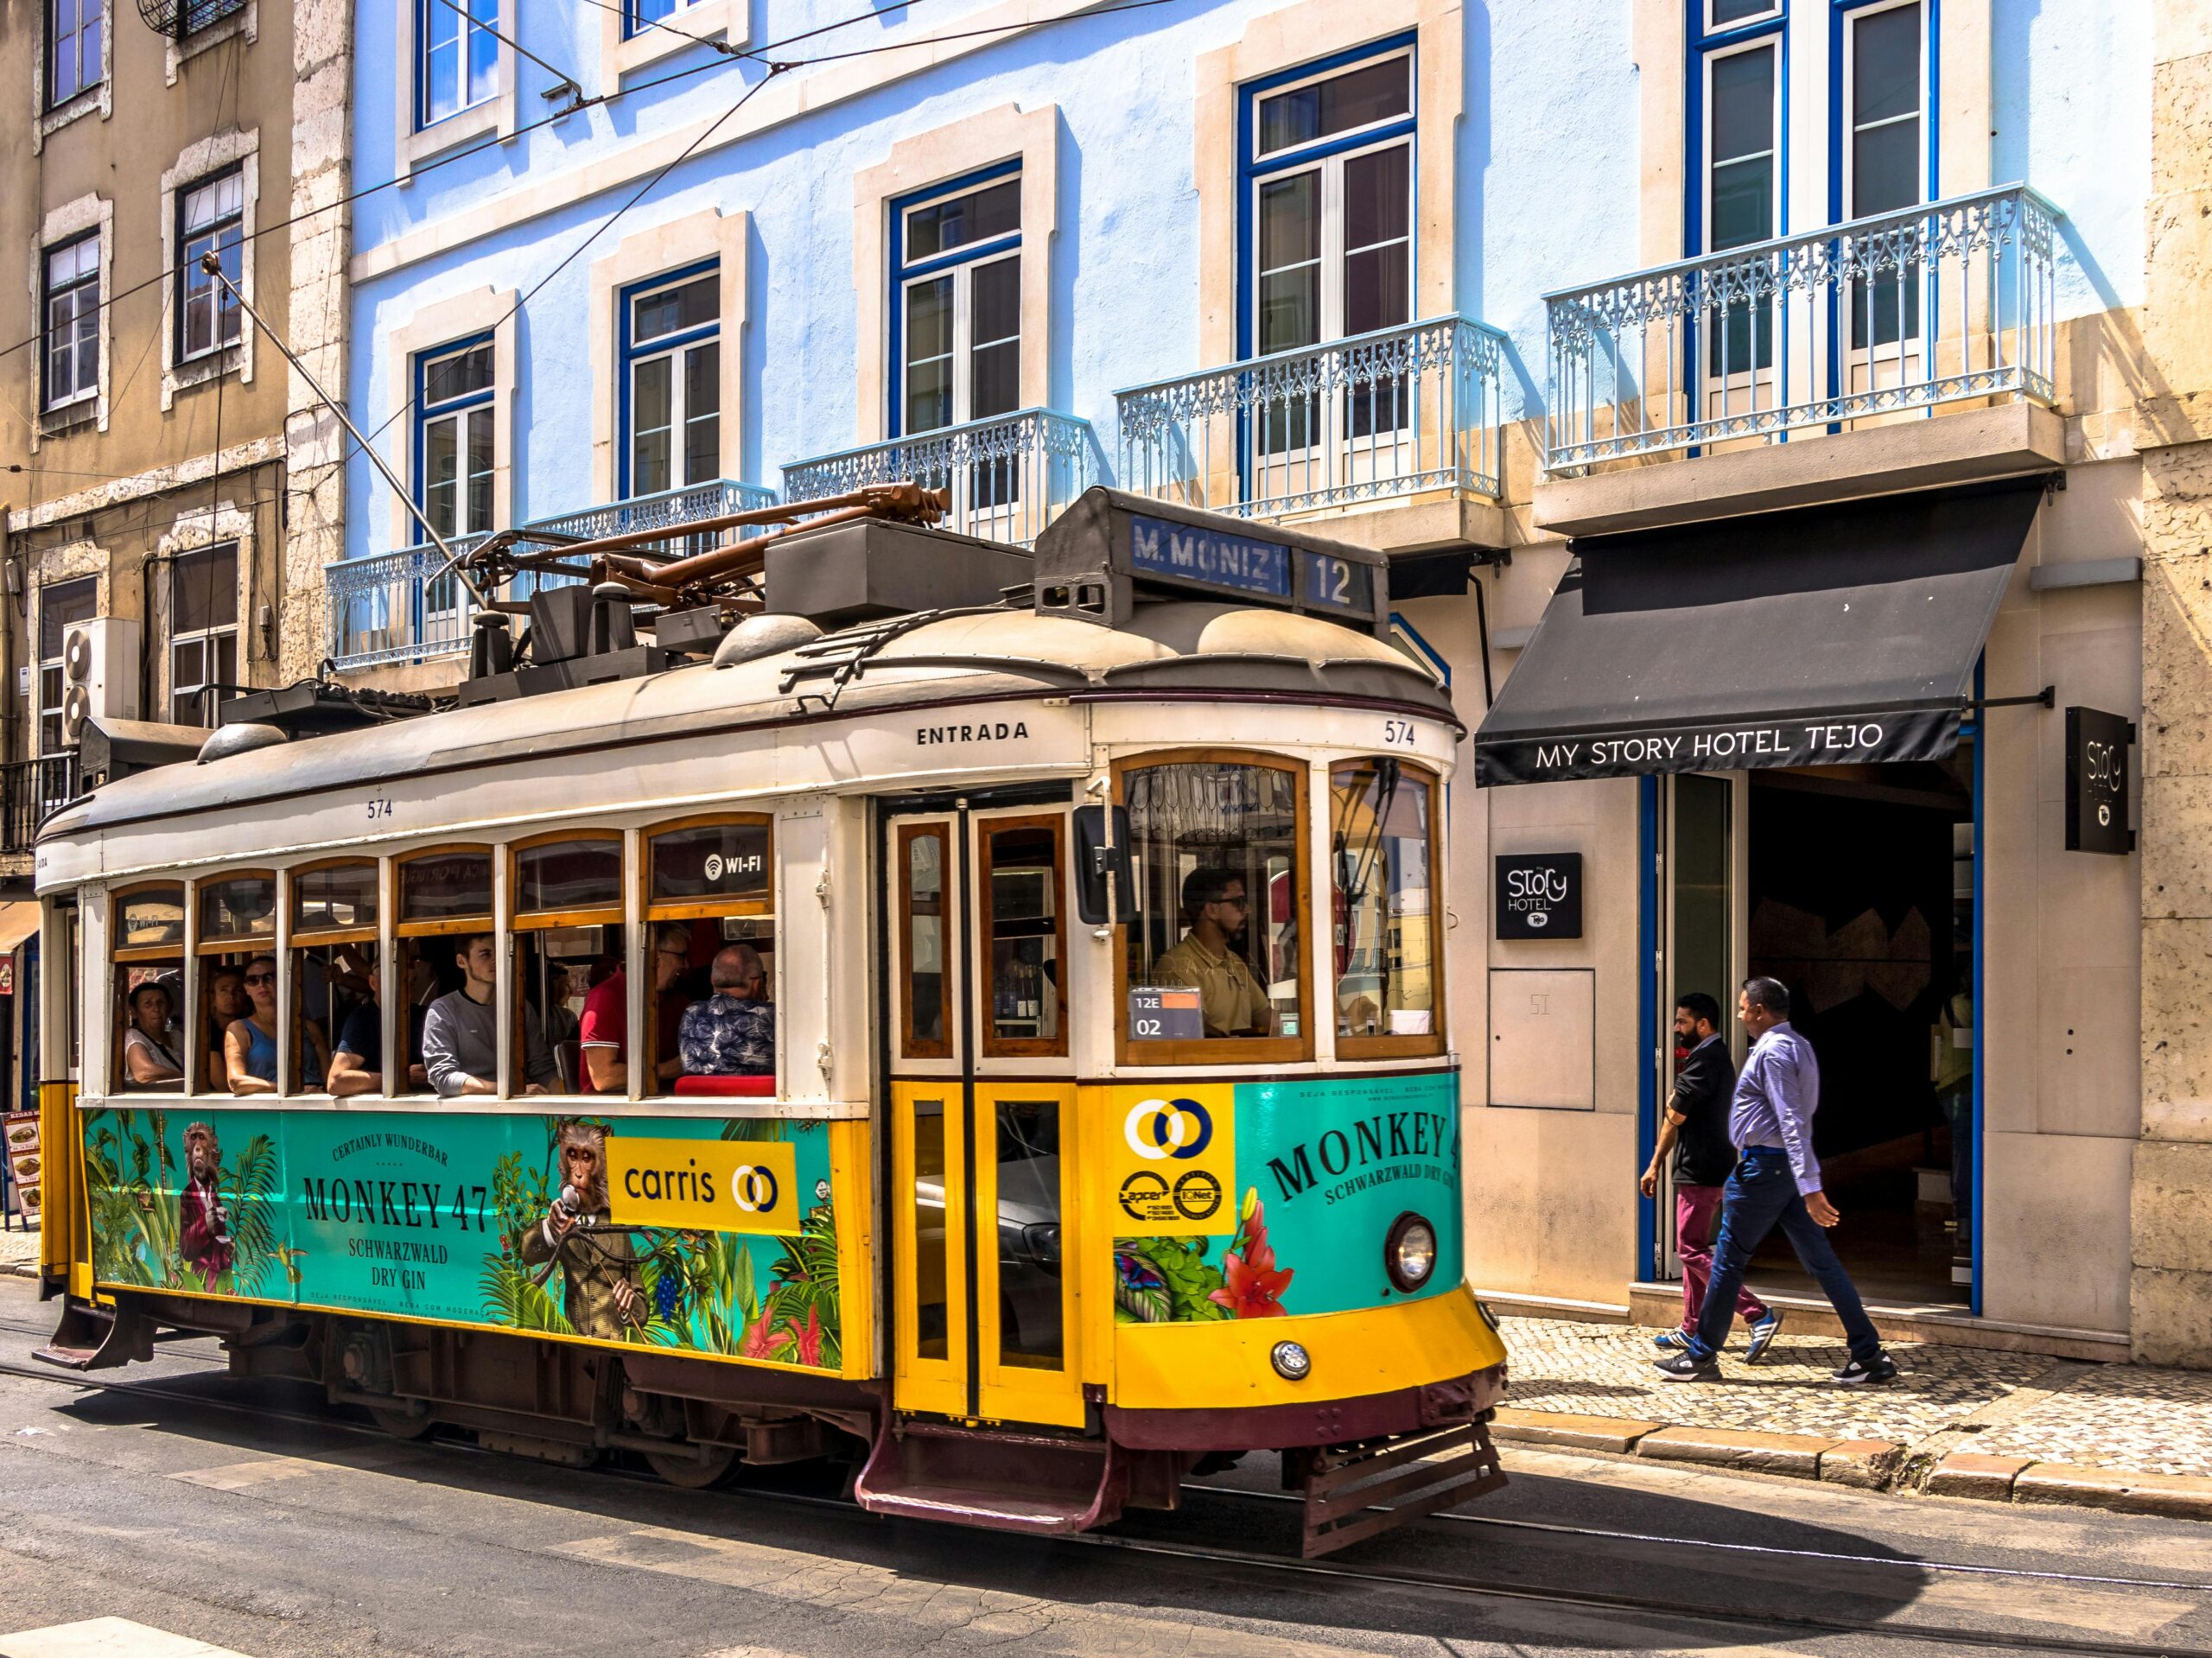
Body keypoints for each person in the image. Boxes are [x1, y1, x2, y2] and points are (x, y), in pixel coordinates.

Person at [1656, 978, 1898, 1386]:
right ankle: (1869, 1356)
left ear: (1758, 1010)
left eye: (1742, 1007)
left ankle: (1700, 1356)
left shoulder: (1773, 1052)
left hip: (1764, 1170)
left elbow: (1792, 1119)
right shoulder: (1799, 1046)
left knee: (1729, 1260)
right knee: (1822, 1263)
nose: (1738, 1014)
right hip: (1779, 1170)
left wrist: (1811, 1186)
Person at [1643, 993, 1780, 1360]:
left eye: (1682, 1022)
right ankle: (1691, 1327)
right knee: (1694, 1251)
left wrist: (1655, 1162)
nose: (1676, 1028)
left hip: (1700, 1170)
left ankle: (1757, 1313)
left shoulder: (1705, 1061)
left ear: (1703, 1025)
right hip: (1712, 1167)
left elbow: (1675, 1116)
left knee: (1689, 1249)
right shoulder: (1712, 1059)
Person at [518, 1121, 641, 1340]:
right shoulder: (560, 1219)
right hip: (572, 1337)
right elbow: (527, 1254)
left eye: (587, 1158)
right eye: (572, 1156)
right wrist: (550, 1227)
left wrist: (629, 1302)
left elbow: (642, 1306)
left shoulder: (617, 1227)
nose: (579, 1173)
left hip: (613, 1342)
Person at [422, 934, 556, 1097]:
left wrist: (565, 1098)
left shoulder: (521, 1008)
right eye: (486, 954)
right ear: (462, 961)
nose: (496, 960)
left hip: (520, 1106)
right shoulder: (443, 1010)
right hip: (471, 1113)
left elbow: (542, 1068)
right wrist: (508, 1090)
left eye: (500, 953)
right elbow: (443, 1078)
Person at [1153, 867, 1270, 1039]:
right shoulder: (1176, 966)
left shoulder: (1234, 961)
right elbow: (1193, 1032)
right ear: (1212, 910)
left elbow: (1266, 1017)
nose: (1247, 910)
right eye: (1239, 902)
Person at [579, 924, 690, 1093]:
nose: (686, 965)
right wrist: (668, 1069)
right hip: (612, 1114)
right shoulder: (605, 998)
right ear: (655, 956)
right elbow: (604, 1077)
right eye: (681, 956)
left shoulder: (677, 1000)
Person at [225, 955, 329, 1095]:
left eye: (269, 977)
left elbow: (330, 1079)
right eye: (253, 980)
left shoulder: (309, 1028)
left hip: (315, 1105)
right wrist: (290, 1090)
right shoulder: (238, 1029)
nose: (261, 984)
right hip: (269, 1109)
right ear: (247, 989)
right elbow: (236, 1082)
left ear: (283, 981)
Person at [677, 944, 776, 1077]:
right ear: (756, 984)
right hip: (755, 1097)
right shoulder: (772, 1016)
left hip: (699, 1097)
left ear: (712, 980)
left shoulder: (692, 1013)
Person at [120, 981, 184, 1090]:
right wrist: (189, 1079)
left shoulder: (177, 1037)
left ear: (169, 1008)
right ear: (134, 1011)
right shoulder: (134, 1036)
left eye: (160, 1003)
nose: (156, 1009)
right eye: (148, 1004)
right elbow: (144, 1073)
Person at [328, 975, 384, 1098]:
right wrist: (399, 1079)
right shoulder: (364, 1018)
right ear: (373, 983)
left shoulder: (418, 1014)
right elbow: (336, 1081)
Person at [201, 963, 248, 1091]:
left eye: (237, 990)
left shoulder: (249, 1026)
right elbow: (222, 1085)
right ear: (213, 997)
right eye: (223, 990)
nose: (231, 996)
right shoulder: (207, 1030)